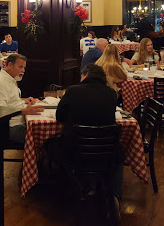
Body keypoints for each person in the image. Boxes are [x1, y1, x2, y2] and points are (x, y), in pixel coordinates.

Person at [55, 64, 123, 216]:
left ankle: (74, 189)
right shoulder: (111, 93)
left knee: (53, 146)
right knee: (118, 154)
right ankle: (114, 196)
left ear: (85, 74)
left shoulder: (72, 91)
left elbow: (59, 117)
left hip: (75, 152)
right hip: (106, 153)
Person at [0, 54, 44, 143]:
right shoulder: (0, 83)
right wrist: (23, 111)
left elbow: (10, 101)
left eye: (24, 67)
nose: (23, 70)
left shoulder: (10, 78)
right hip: (9, 127)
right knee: (42, 136)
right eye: (20, 67)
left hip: (17, 121)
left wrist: (24, 101)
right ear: (10, 65)